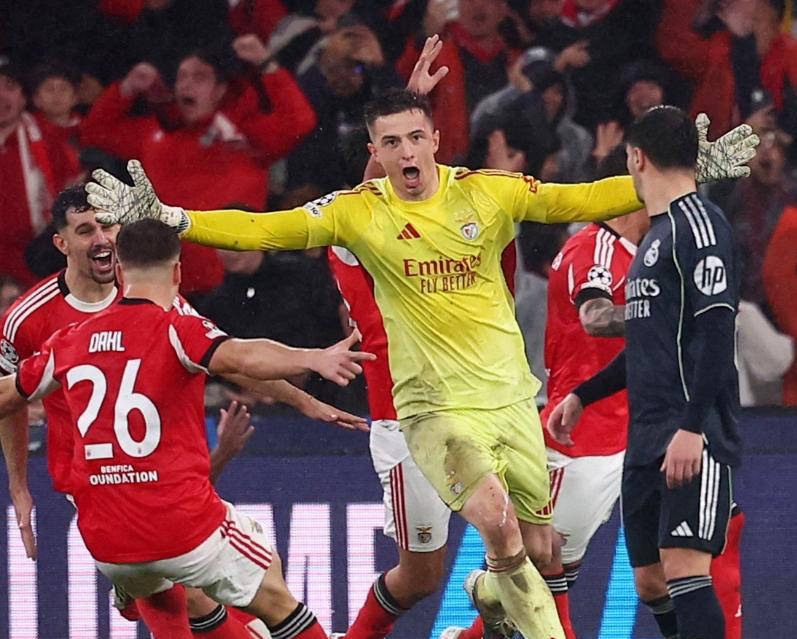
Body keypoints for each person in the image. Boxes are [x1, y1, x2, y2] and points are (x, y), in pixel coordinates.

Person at [85, 85, 757, 639]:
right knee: (497, 523)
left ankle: (489, 593)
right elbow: (264, 227)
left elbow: (576, 197)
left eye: (414, 137)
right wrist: (173, 216)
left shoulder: (487, 193)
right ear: (375, 153)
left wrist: (685, 175)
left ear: (435, 139)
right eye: (391, 142)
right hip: (433, 409)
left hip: (510, 401)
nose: (405, 151)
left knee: (541, 550)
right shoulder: (356, 212)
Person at [0, 185, 369, 638]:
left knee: (178, 595)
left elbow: (8, 396)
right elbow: (239, 357)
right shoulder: (171, 324)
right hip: (148, 507)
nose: (99, 239)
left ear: (121, 263)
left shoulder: (68, 341)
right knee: (267, 580)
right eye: (85, 230)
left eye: (107, 227)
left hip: (105, 526)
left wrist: (303, 401)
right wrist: (313, 358)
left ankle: (138, 589)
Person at [548, 106, 743, 639]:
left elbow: (717, 333)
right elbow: (648, 338)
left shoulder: (699, 227)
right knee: (651, 581)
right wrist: (585, 394)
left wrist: (693, 427)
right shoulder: (656, 238)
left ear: (636, 158)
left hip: (689, 432)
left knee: (685, 572)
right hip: (646, 434)